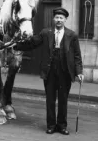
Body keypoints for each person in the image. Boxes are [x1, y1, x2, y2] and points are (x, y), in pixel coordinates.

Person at [13, 7, 84, 135]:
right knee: (50, 100)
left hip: (65, 72)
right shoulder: (46, 33)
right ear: (53, 19)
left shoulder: (72, 35)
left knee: (63, 100)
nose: (58, 20)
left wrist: (79, 72)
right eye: (56, 17)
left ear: (65, 20)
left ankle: (62, 126)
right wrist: (16, 46)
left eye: (61, 18)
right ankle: (51, 125)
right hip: (49, 71)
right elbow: (32, 43)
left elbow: (77, 56)